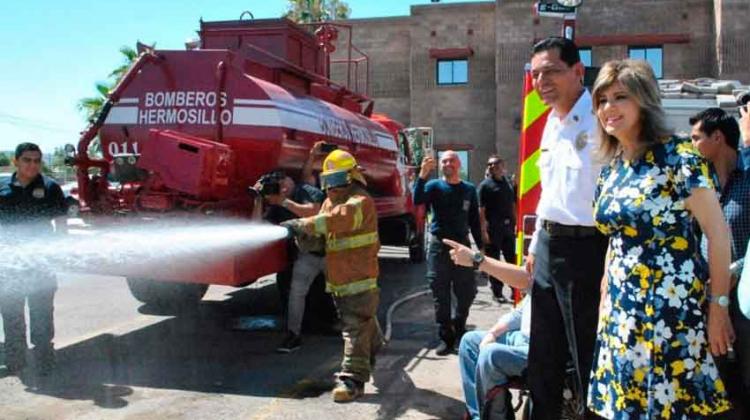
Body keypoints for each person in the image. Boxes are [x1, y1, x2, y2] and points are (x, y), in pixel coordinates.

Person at [587, 59, 734, 418]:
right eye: (602, 100)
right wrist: (607, 290)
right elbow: (617, 236)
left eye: (620, 96)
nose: (609, 108)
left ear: (644, 101)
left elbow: (718, 236)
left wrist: (718, 308)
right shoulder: (613, 169)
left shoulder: (680, 157)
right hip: (622, 314)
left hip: (670, 311)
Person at [524, 36, 608, 419]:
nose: (542, 81)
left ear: (577, 71)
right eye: (536, 73)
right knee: (543, 353)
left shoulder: (602, 118)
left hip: (589, 250)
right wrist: (534, 243)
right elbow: (550, 190)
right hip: (549, 245)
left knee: (587, 353)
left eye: (551, 72)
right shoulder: (551, 123)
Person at [282, 149, 384, 402]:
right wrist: (303, 237)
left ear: (352, 177)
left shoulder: (360, 202)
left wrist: (304, 224)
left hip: (360, 278)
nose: (332, 187)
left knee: (354, 328)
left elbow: (339, 219)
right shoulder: (329, 203)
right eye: (328, 181)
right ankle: (376, 342)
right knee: (362, 322)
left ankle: (352, 380)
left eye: (338, 180)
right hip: (340, 281)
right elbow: (322, 235)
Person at [690, 107, 750, 417]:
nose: (692, 145)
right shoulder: (701, 185)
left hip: (744, 300)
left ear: (718, 137)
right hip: (710, 298)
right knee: (716, 386)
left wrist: (733, 271)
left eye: (696, 138)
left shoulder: (748, 180)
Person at [250, 144, 329, 354]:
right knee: (296, 294)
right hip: (307, 254)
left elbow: (314, 211)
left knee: (345, 294)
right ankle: (294, 335)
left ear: (286, 182)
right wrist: (258, 200)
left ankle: (356, 331)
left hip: (332, 252)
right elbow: (256, 227)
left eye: (278, 184)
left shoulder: (305, 190)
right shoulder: (276, 204)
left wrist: (284, 201)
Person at [445, 238, 531, 420]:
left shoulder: (562, 262)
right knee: (470, 342)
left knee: (490, 356)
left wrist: (476, 259)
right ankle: (479, 416)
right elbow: (521, 312)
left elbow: (524, 278)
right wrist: (493, 333)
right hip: (521, 338)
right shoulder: (544, 259)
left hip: (543, 348)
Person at [0, 142, 67, 376]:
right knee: (11, 314)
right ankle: (16, 362)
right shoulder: (1, 187)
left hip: (41, 263)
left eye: (37, 160)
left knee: (42, 313)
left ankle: (45, 360)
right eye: (27, 160)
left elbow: (61, 224)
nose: (32, 165)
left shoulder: (50, 188)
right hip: (9, 264)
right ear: (15, 161)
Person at [413, 150, 483, 355]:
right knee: (439, 292)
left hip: (462, 246)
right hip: (438, 246)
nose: (447, 164)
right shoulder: (434, 186)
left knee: (467, 292)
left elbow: (474, 221)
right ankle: (446, 336)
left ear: (459, 164)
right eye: (444, 161)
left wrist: (481, 247)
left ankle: (459, 327)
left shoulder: (469, 189)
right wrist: (422, 175)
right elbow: (418, 199)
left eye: (451, 160)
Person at [478, 155, 517, 303]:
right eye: (490, 165)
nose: (492, 167)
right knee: (494, 263)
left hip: (508, 229)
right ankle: (497, 292)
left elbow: (512, 204)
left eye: (495, 164)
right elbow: (481, 210)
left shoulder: (507, 184)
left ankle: (515, 290)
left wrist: (515, 223)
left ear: (502, 166)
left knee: (511, 260)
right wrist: (483, 231)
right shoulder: (485, 186)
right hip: (493, 230)